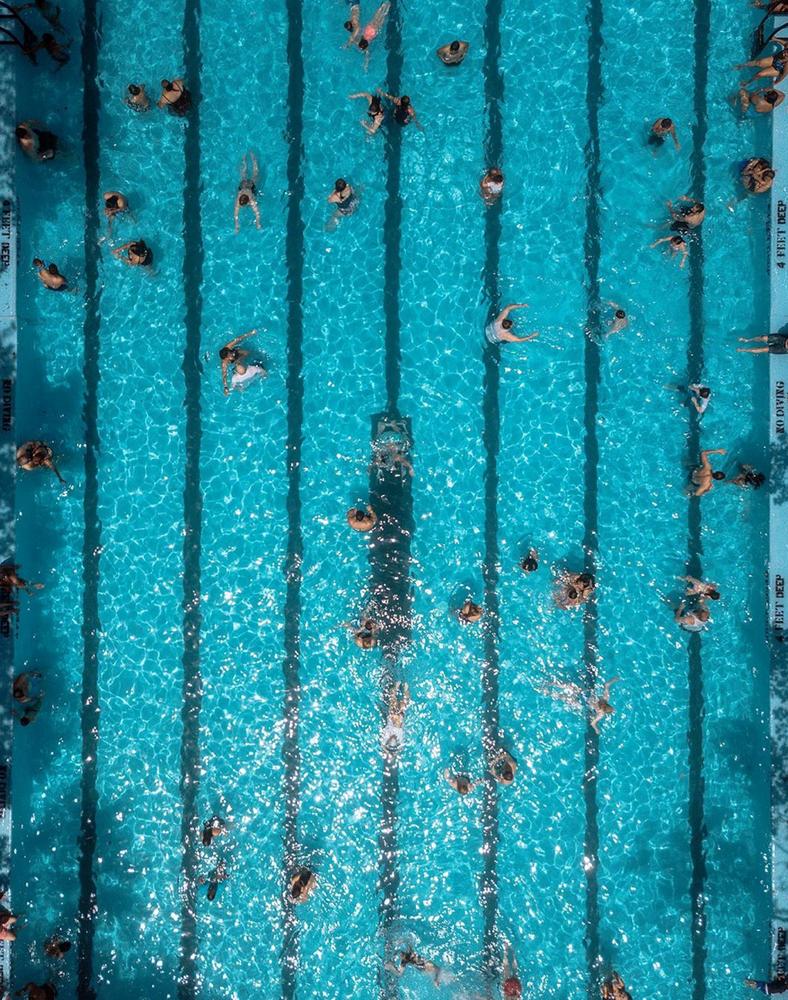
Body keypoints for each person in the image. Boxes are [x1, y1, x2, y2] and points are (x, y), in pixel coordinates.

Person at [219, 329, 258, 395]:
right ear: (226, 358)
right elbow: (224, 375)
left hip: (238, 353)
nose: (232, 355)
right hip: (236, 363)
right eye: (230, 356)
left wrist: (250, 333)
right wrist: (225, 387)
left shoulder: (229, 347)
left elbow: (239, 339)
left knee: (247, 352)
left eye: (230, 353)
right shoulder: (224, 363)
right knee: (239, 368)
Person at [356, 1, 389, 66]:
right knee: (377, 16)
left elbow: (367, 57)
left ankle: (388, 6)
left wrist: (366, 65)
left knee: (383, 17)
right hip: (369, 28)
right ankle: (383, 4)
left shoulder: (367, 47)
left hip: (374, 31)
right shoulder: (361, 38)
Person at [234, 152, 261, 232]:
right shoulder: (240, 200)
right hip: (243, 186)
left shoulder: (251, 200)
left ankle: (245, 159)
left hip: (249, 186)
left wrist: (258, 224)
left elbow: (236, 215)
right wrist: (258, 224)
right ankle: (252, 158)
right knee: (252, 173)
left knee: (253, 173)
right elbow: (257, 214)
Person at [381, 682, 410, 753]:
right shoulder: (400, 740)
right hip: (398, 723)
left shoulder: (385, 738)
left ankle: (397, 687)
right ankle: (405, 688)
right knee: (403, 706)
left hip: (392, 720)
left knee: (393, 704)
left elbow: (383, 745)